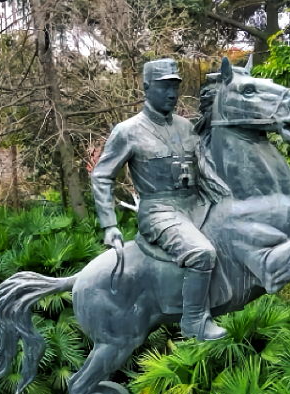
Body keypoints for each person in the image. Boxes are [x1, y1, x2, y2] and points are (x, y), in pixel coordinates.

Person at [91, 58, 229, 340]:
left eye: (174, 87)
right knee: (202, 252)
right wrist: (109, 225)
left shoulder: (185, 127)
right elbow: (102, 176)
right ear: (146, 87)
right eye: (164, 87)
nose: (171, 93)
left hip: (195, 204)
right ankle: (194, 321)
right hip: (159, 211)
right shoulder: (128, 131)